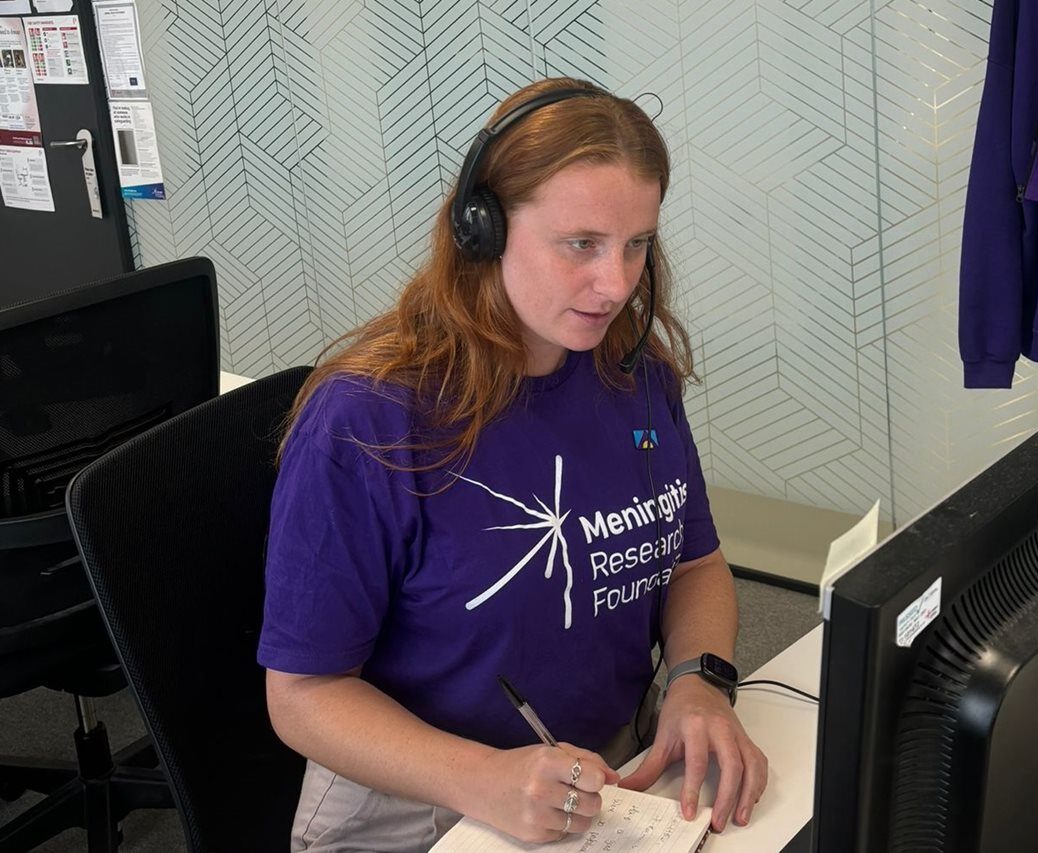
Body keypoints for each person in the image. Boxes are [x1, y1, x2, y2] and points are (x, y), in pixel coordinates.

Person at [258, 77, 768, 852]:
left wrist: (698, 678)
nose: (618, 283)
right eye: (582, 245)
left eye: (637, 245)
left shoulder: (635, 371)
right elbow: (300, 695)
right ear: (483, 230)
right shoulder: (369, 418)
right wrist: (483, 779)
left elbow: (695, 563)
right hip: (422, 807)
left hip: (608, 782)